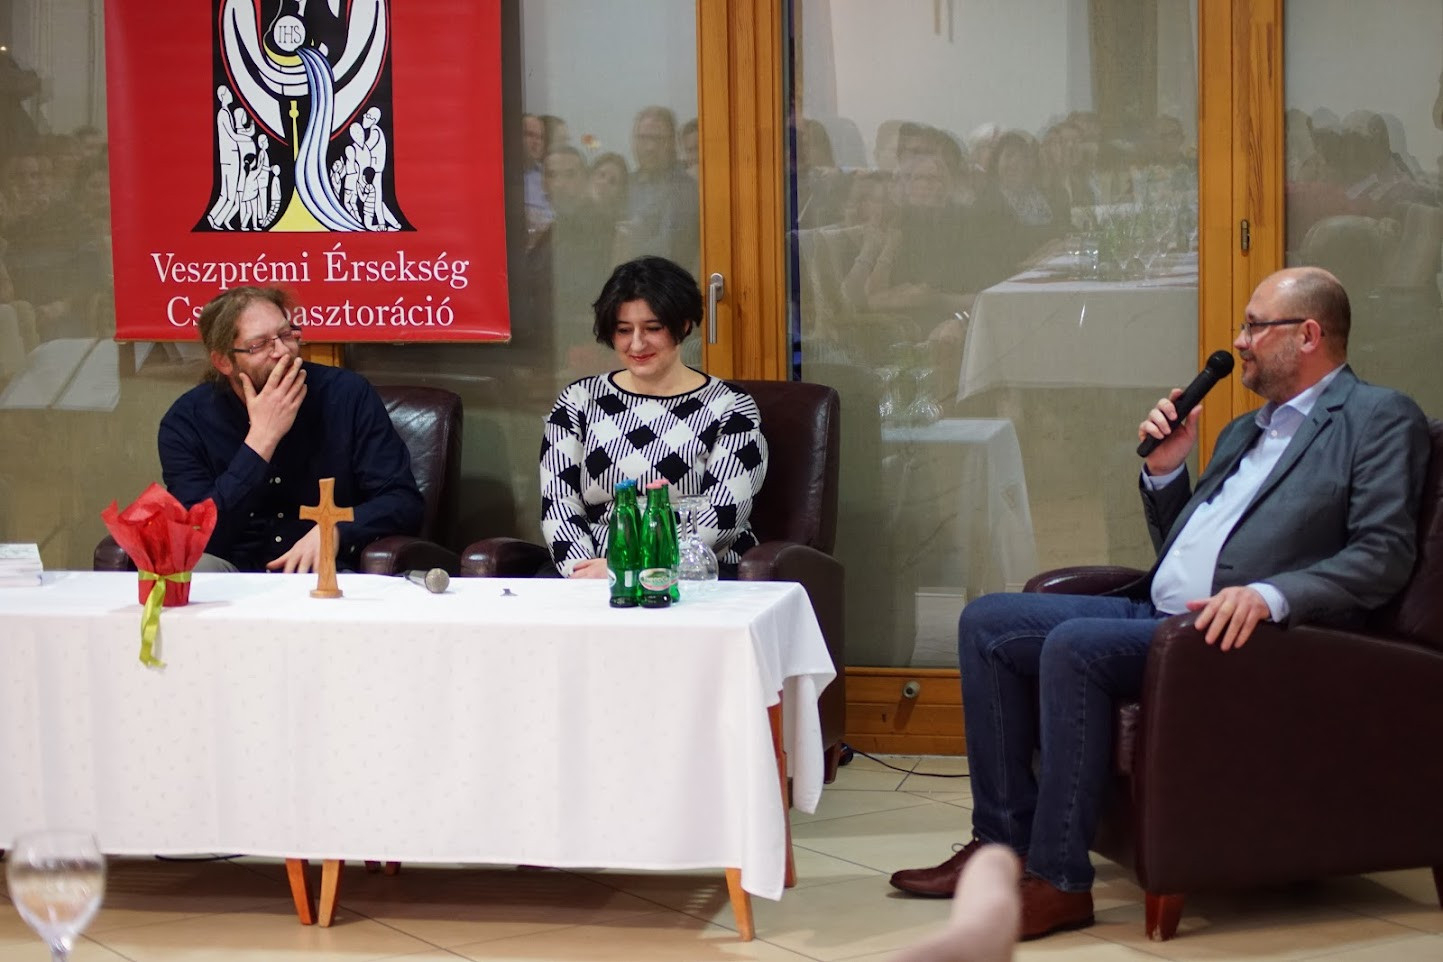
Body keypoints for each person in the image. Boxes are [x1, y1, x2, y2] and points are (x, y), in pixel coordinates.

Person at [888, 267, 1430, 941]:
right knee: (987, 623)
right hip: (1158, 613)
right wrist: (1167, 470)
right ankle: (1003, 848)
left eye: (1254, 327)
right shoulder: (1243, 431)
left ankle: (1059, 882)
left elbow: (1382, 555)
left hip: (1250, 639)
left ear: (1309, 334)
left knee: (1074, 647)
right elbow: (1191, 545)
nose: (1240, 342)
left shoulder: (1379, 418)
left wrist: (1270, 596)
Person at [158, 286, 424, 573]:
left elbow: (402, 500)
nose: (283, 351)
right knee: (190, 569)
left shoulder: (346, 395)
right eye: (260, 345)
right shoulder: (186, 421)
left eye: (286, 335)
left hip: (323, 572)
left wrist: (336, 529)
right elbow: (197, 534)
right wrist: (260, 442)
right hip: (234, 574)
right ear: (223, 361)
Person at [539, 256, 767, 579]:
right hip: (591, 574)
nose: (636, 343)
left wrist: (629, 568)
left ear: (683, 325)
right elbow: (558, 502)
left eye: (653, 328)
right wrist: (582, 573)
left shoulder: (731, 406)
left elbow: (723, 514)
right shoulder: (578, 400)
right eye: (623, 330)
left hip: (691, 573)